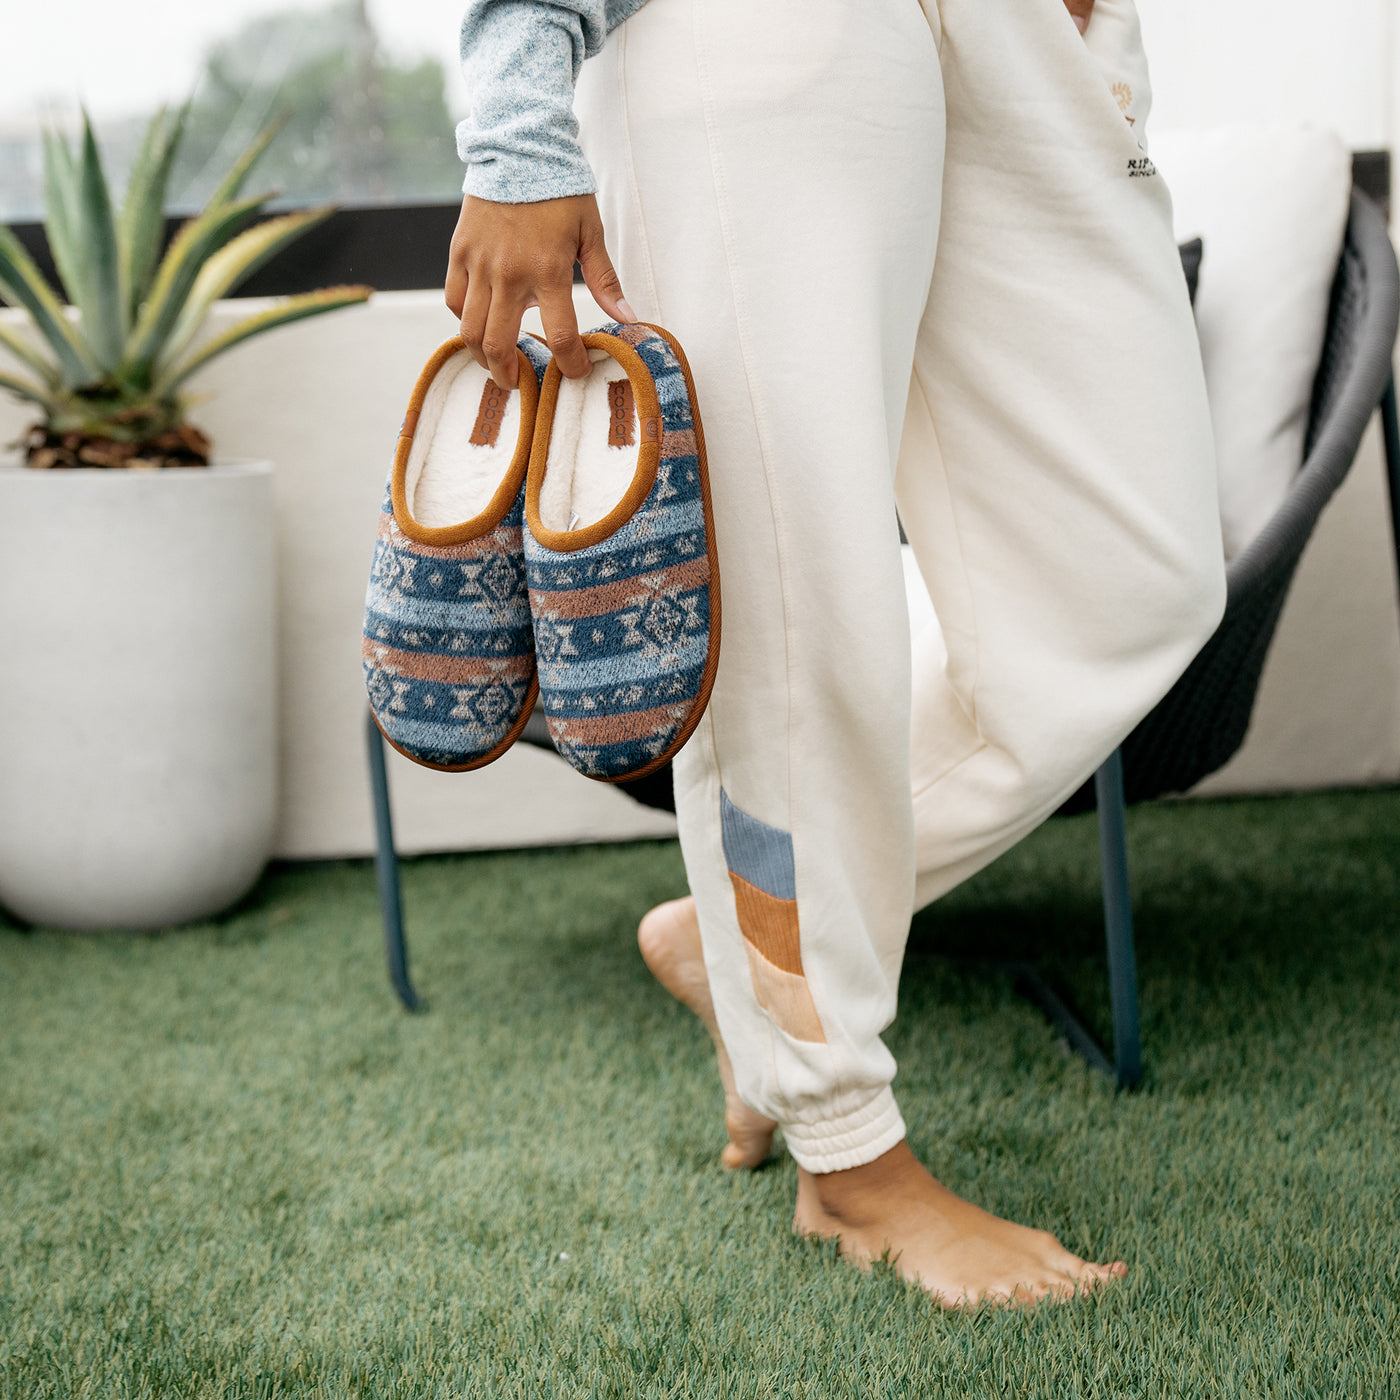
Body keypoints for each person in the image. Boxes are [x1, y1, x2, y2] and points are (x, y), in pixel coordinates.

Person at [446, 0, 1226, 1307]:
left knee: (1138, 573)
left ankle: (743, 941)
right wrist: (521, 130)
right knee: (801, 606)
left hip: (1033, 31)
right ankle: (848, 1158)